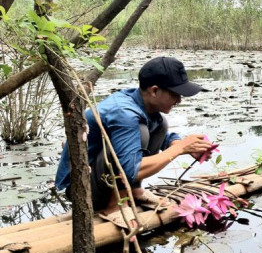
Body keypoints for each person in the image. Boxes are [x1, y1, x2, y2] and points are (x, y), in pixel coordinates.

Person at [55, 56, 213, 226]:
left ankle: (135, 191)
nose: (179, 100)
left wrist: (183, 145)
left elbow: (161, 135)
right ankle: (114, 205)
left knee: (160, 125)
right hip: (83, 190)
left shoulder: (140, 100)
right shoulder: (125, 113)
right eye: (175, 94)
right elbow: (130, 171)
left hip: (103, 179)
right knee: (140, 132)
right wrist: (180, 148)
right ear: (154, 91)